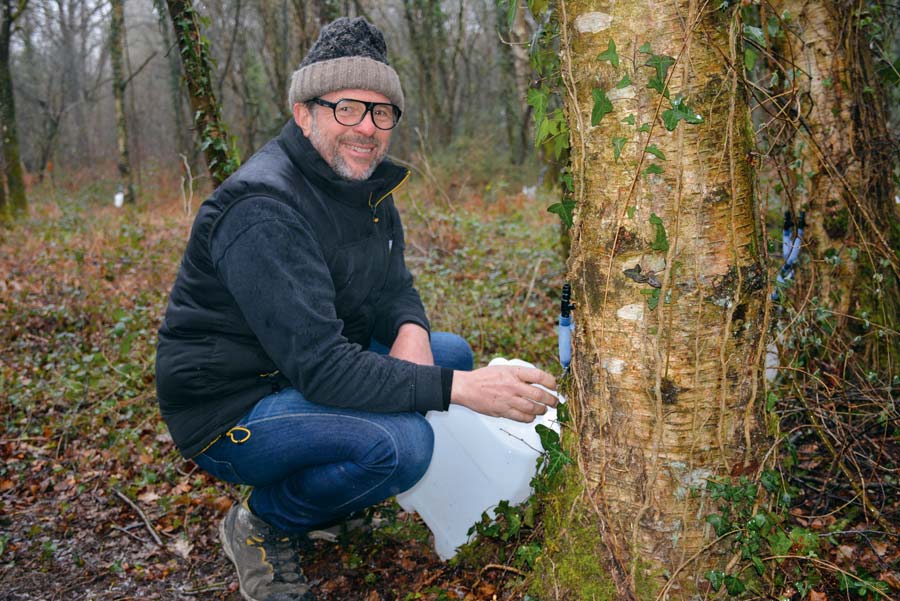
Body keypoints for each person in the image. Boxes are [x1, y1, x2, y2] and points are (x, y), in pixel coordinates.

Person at [155, 16, 557, 601]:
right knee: (403, 447)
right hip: (230, 408)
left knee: (448, 353)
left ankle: (332, 491)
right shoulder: (263, 208)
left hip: (295, 371)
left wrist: (413, 329)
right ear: (304, 111)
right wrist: (463, 389)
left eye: (381, 112)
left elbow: (394, 285)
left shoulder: (361, 183)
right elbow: (323, 368)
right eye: (347, 108)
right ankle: (265, 522)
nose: (366, 128)